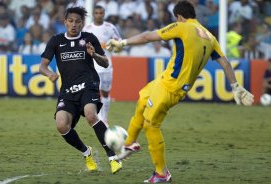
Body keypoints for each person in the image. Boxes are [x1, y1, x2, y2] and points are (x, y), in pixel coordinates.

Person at [106, 0, 254, 183]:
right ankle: (130, 144)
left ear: (179, 17)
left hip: (172, 87)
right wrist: (235, 86)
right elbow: (225, 62)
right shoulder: (210, 36)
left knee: (151, 125)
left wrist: (123, 43)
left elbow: (147, 37)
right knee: (142, 98)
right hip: (164, 80)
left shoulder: (182, 27)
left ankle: (161, 173)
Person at [39, 6, 122, 174]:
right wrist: (49, 73)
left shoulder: (89, 38)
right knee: (61, 125)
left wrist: (95, 55)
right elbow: (43, 65)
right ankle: (87, 152)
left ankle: (113, 158)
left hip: (88, 85)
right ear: (65, 22)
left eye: (78, 21)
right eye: (70, 21)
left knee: (91, 115)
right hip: (68, 91)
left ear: (82, 23)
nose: (74, 24)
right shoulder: (56, 41)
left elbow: (105, 62)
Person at [83, 5, 121, 124]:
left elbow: (118, 43)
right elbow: (82, 45)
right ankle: (99, 118)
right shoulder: (87, 28)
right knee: (95, 92)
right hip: (93, 66)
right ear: (93, 14)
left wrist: (114, 46)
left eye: (101, 13)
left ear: (104, 14)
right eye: (96, 13)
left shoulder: (110, 27)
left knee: (105, 92)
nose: (99, 15)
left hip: (106, 65)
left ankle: (105, 117)